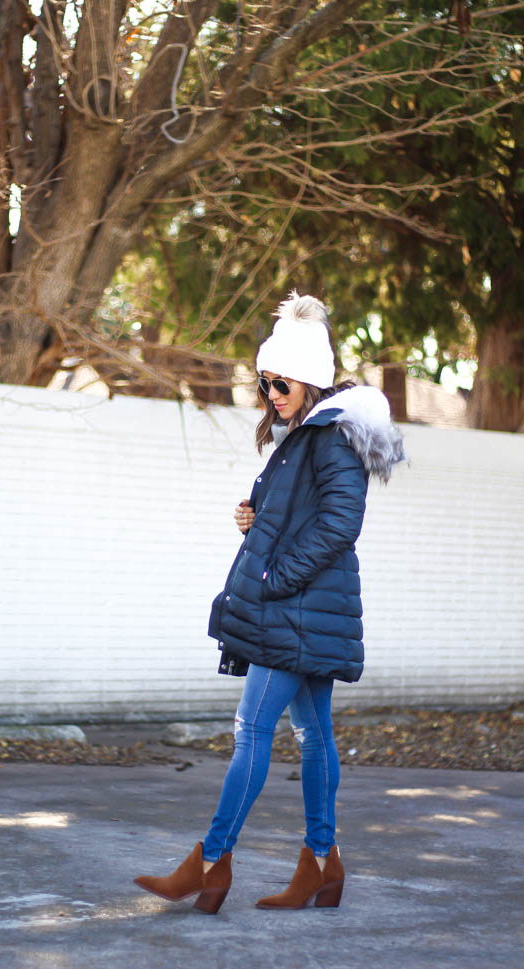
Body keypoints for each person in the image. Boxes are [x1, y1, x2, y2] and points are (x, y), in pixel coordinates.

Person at [134, 291, 405, 914]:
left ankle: (210, 864)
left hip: (297, 607)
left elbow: (340, 525)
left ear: (307, 378)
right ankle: (320, 864)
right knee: (312, 735)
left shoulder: (332, 437)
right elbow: (306, 517)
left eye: (280, 382)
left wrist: (275, 575)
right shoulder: (305, 437)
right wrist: (253, 519)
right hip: (304, 607)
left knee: (252, 730)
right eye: (264, 381)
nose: (271, 393)